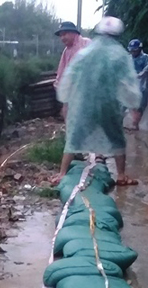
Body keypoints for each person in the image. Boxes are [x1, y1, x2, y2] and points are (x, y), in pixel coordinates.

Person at [56, 16, 141, 186]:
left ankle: (62, 174)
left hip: (84, 104)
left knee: (74, 138)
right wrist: (134, 106)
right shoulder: (120, 54)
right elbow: (128, 82)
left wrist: (65, 100)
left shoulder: (86, 52)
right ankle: (122, 175)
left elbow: (70, 75)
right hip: (109, 105)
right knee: (116, 138)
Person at [52, 21, 91, 181]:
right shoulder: (66, 52)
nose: (62, 38)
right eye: (60, 35)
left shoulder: (87, 45)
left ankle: (95, 159)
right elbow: (61, 75)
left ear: (73, 32)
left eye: (64, 34)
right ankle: (74, 160)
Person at [128, 39, 148, 130]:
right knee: (129, 103)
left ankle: (136, 123)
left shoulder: (146, 58)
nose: (133, 52)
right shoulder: (128, 58)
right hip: (131, 84)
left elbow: (147, 69)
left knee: (141, 105)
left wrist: (141, 75)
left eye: (135, 50)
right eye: (131, 50)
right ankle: (130, 122)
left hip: (143, 85)